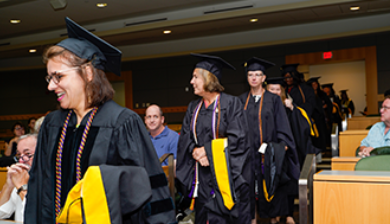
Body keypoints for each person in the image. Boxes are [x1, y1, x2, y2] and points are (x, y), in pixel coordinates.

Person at [24, 17, 175, 224]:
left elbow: (149, 192)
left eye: (58, 77)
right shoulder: (52, 124)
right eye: (49, 78)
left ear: (87, 73)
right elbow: (37, 188)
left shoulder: (122, 123)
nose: (51, 86)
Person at [177, 53, 251, 224]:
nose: (191, 81)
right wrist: (195, 151)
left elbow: (239, 138)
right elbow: (185, 136)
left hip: (228, 178)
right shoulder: (193, 107)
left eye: (195, 77)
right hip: (202, 177)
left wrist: (207, 151)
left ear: (208, 79)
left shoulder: (231, 104)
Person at [239, 58, 299, 224]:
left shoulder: (273, 100)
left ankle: (274, 219)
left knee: (272, 188)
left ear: (263, 78)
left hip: (269, 154)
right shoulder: (241, 100)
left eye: (258, 75)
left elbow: (282, 123)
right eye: (250, 74)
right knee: (249, 189)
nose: (254, 78)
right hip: (248, 155)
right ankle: (252, 219)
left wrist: (282, 145)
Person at [0, 134, 37, 222]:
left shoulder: (55, 182)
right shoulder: (21, 179)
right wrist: (8, 186)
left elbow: (36, 217)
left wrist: (22, 188)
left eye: (27, 154)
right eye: (19, 155)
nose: (21, 160)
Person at [307, 77, 333, 150]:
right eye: (313, 84)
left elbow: (329, 103)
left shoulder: (321, 94)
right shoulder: (309, 94)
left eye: (316, 84)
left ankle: (323, 148)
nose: (315, 85)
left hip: (322, 117)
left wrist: (326, 106)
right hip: (314, 117)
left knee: (323, 133)